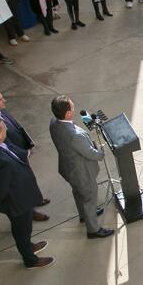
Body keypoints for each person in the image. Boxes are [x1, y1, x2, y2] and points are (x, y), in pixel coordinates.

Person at [0, 116, 53, 269]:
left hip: (19, 198)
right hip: (17, 202)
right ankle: (30, 260)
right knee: (22, 230)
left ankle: (29, 246)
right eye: (4, 128)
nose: (7, 130)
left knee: (24, 228)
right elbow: (1, 189)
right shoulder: (2, 161)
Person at [48, 95, 113, 239]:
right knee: (90, 197)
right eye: (72, 106)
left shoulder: (54, 122)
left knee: (78, 192)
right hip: (81, 172)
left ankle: (84, 215)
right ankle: (93, 230)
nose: (74, 107)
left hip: (68, 168)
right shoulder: (74, 135)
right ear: (68, 113)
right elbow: (90, 154)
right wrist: (101, 153)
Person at [0, 87, 34, 153]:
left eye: (2, 98)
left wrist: (28, 142)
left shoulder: (0, 109)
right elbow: (3, 145)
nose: (4, 100)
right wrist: (25, 154)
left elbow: (16, 125)